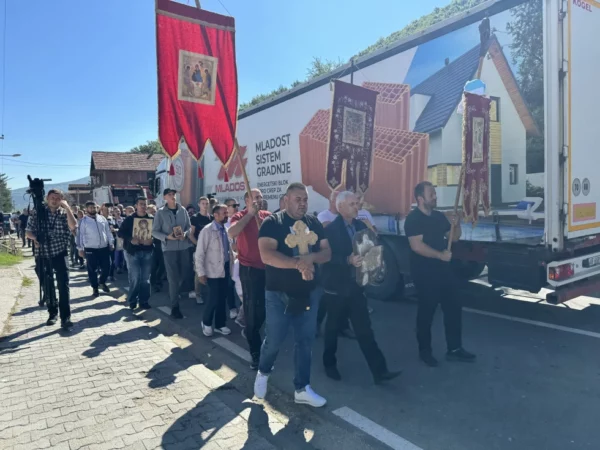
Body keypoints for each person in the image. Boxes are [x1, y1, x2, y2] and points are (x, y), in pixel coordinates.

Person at [254, 182, 331, 407]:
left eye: (305, 199)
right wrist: (298, 264)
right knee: (275, 339)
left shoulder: (313, 222)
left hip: (309, 293)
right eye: (298, 199)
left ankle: (302, 388)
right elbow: (267, 255)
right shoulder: (272, 223)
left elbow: (326, 252)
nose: (302, 203)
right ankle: (263, 372)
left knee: (305, 340)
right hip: (279, 294)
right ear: (286, 200)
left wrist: (311, 259)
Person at [322, 191, 401, 383]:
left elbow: (370, 253)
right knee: (332, 329)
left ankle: (379, 371)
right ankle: (329, 365)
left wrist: (373, 260)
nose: (357, 207)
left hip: (356, 288)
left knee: (365, 330)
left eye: (357, 203)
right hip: (335, 288)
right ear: (340, 208)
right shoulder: (329, 230)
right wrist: (346, 260)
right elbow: (324, 258)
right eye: (352, 204)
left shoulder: (361, 227)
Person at [405, 181, 476, 367]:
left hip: (445, 271)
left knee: (453, 308)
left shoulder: (438, 217)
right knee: (426, 312)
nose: (435, 197)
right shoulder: (413, 219)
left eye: (435, 193)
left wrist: (456, 224)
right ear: (420, 199)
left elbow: (454, 237)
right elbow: (416, 246)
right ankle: (425, 351)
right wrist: (439, 255)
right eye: (431, 194)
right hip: (424, 273)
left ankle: (454, 349)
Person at [228, 189, 271, 370]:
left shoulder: (267, 215)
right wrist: (250, 215)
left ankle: (251, 330)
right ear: (247, 200)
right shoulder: (240, 215)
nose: (259, 200)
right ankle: (256, 353)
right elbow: (232, 232)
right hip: (249, 269)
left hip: (268, 268)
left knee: (266, 309)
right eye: (256, 197)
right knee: (253, 310)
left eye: (261, 197)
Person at [26, 189, 77, 329]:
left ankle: (65, 317)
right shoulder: (38, 213)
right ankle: (52, 313)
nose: (54, 200)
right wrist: (36, 238)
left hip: (60, 253)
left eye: (57, 198)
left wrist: (67, 208)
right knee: (48, 286)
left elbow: (73, 226)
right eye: (52, 197)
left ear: (61, 199)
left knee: (63, 285)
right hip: (43, 254)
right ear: (47, 198)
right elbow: (28, 232)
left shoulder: (64, 213)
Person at [152, 188, 193, 319]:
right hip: (169, 249)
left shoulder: (183, 210)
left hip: (184, 247)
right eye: (170, 194)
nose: (173, 196)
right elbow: (154, 231)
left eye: (174, 194)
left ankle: (173, 292)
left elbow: (189, 227)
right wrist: (167, 237)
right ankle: (175, 307)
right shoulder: (160, 213)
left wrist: (185, 235)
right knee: (173, 278)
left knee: (184, 274)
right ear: (165, 198)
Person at [195, 204, 232, 336]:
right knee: (214, 298)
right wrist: (201, 272)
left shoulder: (226, 229)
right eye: (224, 213)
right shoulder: (207, 230)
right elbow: (199, 253)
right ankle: (206, 322)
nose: (226, 215)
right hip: (212, 270)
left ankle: (220, 324)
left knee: (222, 298)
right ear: (215, 215)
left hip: (225, 268)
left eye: (227, 212)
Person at [119, 197, 154, 310]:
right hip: (132, 252)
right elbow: (120, 233)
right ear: (136, 206)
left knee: (145, 279)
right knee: (135, 278)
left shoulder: (151, 219)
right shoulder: (130, 219)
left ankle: (144, 301)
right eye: (141, 204)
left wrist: (152, 239)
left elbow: (156, 233)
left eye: (145, 204)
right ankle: (132, 300)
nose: (143, 206)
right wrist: (130, 239)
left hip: (147, 251)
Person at [77, 201, 114, 297]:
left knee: (107, 266)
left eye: (94, 207)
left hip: (104, 247)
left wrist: (111, 242)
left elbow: (108, 232)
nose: (93, 209)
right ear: (86, 209)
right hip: (90, 248)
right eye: (90, 208)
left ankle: (102, 281)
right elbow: (80, 236)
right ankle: (95, 288)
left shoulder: (102, 219)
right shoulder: (83, 221)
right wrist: (80, 249)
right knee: (92, 269)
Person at [189, 196, 212, 304]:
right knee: (199, 272)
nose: (205, 205)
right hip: (198, 249)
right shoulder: (194, 218)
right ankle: (198, 294)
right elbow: (191, 234)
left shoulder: (211, 218)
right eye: (203, 203)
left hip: (211, 250)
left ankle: (208, 293)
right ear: (199, 204)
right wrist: (198, 245)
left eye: (206, 203)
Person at [112, 206, 125, 274]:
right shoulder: (112, 220)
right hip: (117, 239)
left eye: (119, 211)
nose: (118, 212)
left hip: (124, 238)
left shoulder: (124, 219)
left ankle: (123, 266)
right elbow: (112, 229)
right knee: (117, 253)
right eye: (116, 211)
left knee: (124, 253)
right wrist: (116, 230)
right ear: (113, 213)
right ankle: (117, 266)